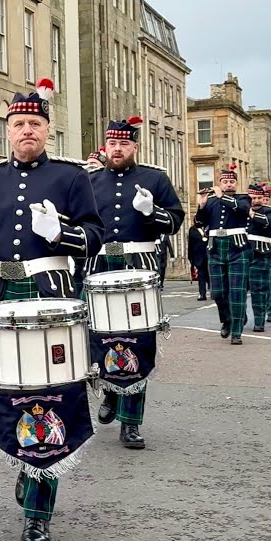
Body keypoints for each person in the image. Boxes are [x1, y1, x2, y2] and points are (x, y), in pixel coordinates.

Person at [0, 77, 103, 541]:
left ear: (46, 130)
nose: (26, 130)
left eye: (34, 123)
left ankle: (37, 511)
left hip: (48, 292)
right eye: (18, 124)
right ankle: (21, 459)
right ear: (7, 131)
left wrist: (62, 233)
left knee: (48, 395)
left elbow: (93, 236)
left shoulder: (71, 177)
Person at [86, 116, 184, 449]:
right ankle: (113, 391)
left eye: (124, 144)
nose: (117, 149)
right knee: (101, 337)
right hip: (100, 264)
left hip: (138, 264)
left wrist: (150, 212)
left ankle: (131, 423)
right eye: (112, 144)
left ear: (134, 147)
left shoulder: (154, 179)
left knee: (139, 342)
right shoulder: (90, 181)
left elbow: (174, 221)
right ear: (106, 146)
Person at [195, 165, 251, 345]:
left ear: (236, 183)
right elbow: (199, 221)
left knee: (237, 292)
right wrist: (202, 205)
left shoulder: (243, 198)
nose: (228, 184)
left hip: (237, 247)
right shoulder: (211, 201)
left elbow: (241, 210)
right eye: (225, 182)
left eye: (231, 182)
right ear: (220, 182)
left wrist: (221, 195)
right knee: (218, 292)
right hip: (215, 247)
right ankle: (227, 319)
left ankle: (236, 332)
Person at [246, 183, 271, 330]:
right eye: (252, 198)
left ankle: (260, 321)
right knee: (237, 289)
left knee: (260, 288)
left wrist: (251, 213)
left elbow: (270, 224)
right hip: (240, 253)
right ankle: (239, 317)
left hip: (261, 254)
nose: (256, 201)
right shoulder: (240, 211)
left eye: (259, 197)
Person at [188, 211, 210, 301]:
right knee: (201, 275)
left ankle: (213, 291)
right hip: (198, 256)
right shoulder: (192, 229)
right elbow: (190, 244)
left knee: (210, 275)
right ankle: (202, 293)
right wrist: (190, 257)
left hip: (210, 254)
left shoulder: (209, 228)